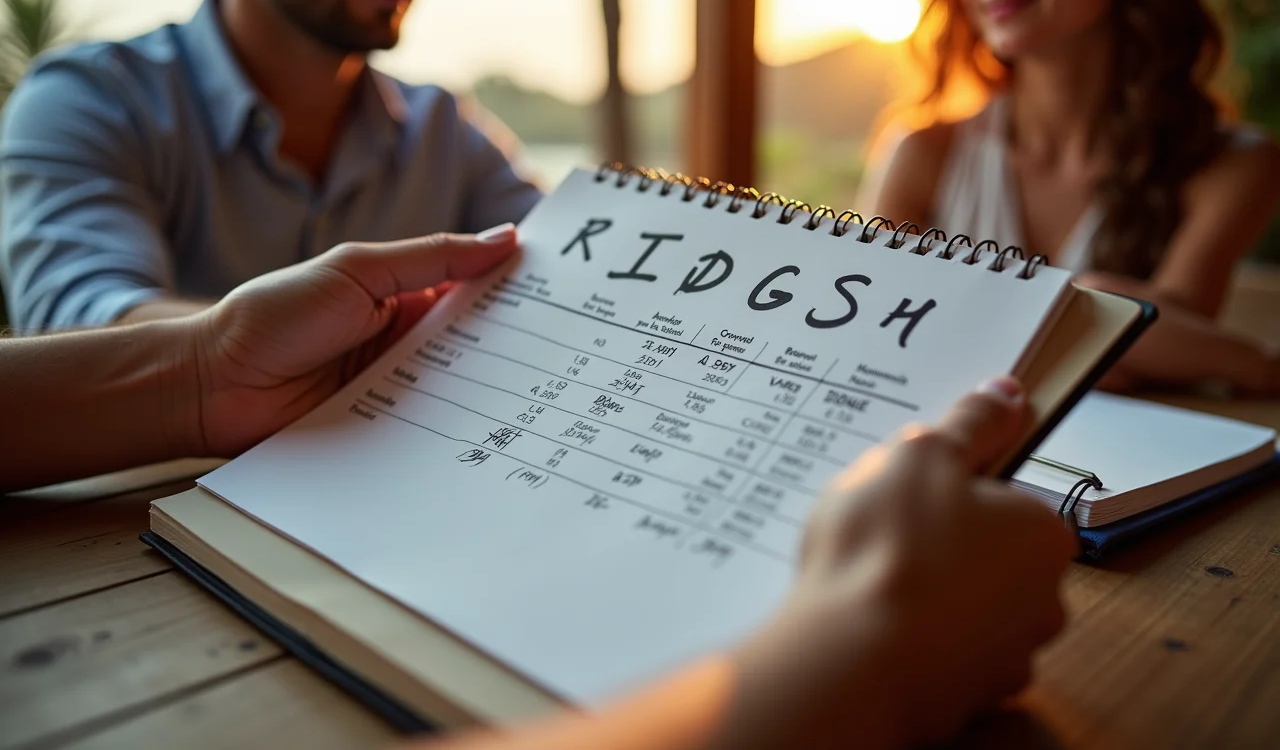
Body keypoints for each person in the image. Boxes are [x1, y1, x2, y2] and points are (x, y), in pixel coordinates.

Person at [0, 226, 1076, 749]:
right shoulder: (94, 95)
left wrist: (203, 373)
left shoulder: (437, 122)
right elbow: (69, 285)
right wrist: (856, 663)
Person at [0, 0, 540, 334]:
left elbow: (573, 255)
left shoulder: (445, 128)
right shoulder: (91, 100)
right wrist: (269, 340)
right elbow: (74, 323)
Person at [873, 0, 1280, 395]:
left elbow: (1172, 344)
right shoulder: (922, 154)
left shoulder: (1232, 165)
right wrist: (1258, 366)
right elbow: (873, 330)